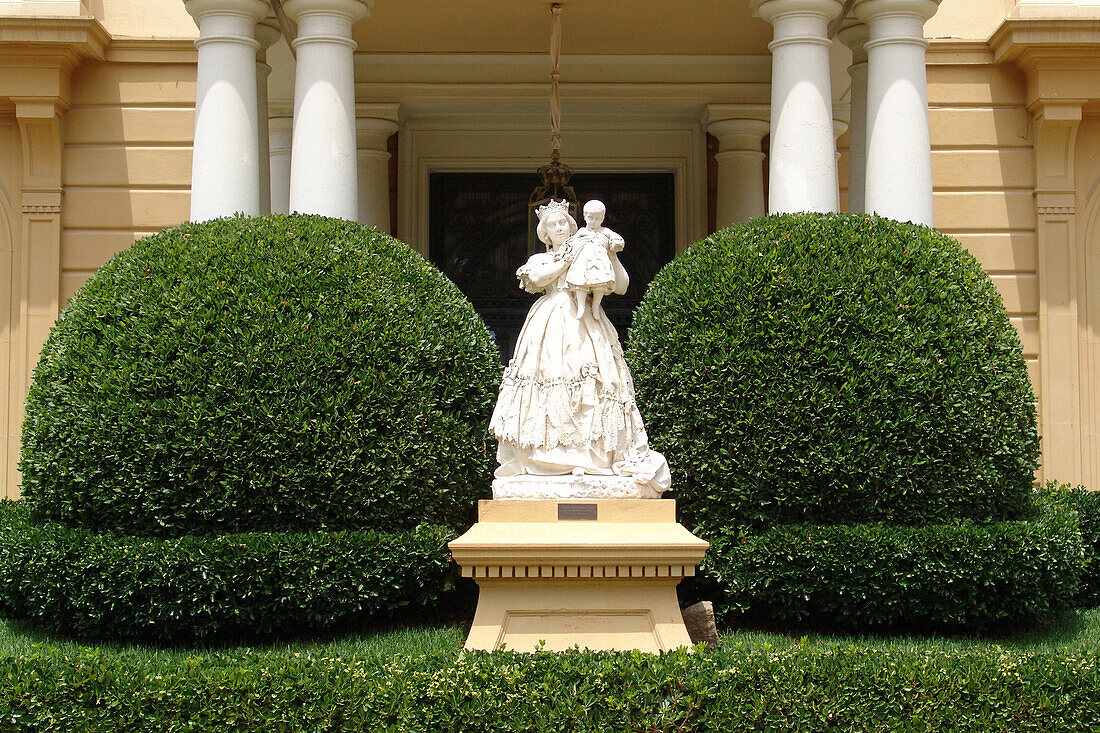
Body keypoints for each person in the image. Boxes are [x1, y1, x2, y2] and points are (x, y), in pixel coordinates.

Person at [488, 199, 670, 493]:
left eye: (563, 222)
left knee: (597, 383)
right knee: (549, 380)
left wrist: (610, 254)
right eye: (553, 225)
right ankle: (546, 457)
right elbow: (536, 278)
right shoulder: (542, 259)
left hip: (589, 324)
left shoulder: (590, 248)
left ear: (572, 225)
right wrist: (568, 259)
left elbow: (621, 285)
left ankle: (591, 456)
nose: (560, 228)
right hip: (550, 324)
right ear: (544, 233)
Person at [564, 200, 620, 319]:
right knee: (580, 283)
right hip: (583, 263)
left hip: (599, 262)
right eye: (591, 218)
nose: (594, 221)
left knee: (600, 284)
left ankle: (596, 305)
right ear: (584, 216)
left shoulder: (605, 231)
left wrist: (615, 243)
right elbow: (571, 243)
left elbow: (617, 239)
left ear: (603, 218)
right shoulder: (582, 231)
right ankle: (581, 306)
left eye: (597, 218)